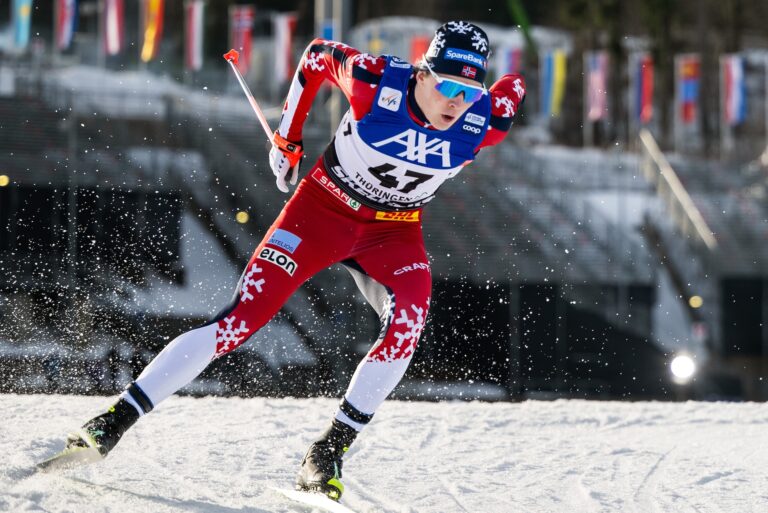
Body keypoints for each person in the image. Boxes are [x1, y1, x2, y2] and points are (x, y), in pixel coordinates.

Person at [64, 20, 526, 501]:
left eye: (470, 92)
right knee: (240, 321)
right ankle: (115, 419)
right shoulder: (375, 80)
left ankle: (328, 451)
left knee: (408, 324)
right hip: (321, 212)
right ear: (422, 74)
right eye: (448, 87)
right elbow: (317, 55)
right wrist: (288, 138)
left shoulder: (486, 118)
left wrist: (498, 86)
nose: (457, 102)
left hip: (392, 232)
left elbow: (514, 85)